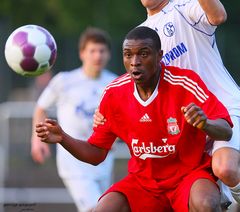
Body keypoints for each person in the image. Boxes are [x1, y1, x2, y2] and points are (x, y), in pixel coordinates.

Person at [36, 26, 233, 212]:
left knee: (206, 203)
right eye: (128, 54)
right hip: (144, 183)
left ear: (159, 56)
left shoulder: (185, 83)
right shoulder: (114, 93)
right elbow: (96, 153)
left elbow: (226, 129)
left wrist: (205, 123)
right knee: (103, 209)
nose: (135, 61)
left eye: (143, 54)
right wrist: (62, 137)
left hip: (188, 177)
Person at [94, 0, 240, 207]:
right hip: (189, 123)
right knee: (206, 196)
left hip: (221, 110)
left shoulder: (185, 8)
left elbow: (218, 16)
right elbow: (134, 84)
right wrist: (104, 112)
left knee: (225, 168)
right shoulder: (141, 32)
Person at [31, 27, 117, 212]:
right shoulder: (65, 81)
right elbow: (41, 107)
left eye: (102, 51)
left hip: (102, 160)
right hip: (74, 163)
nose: (97, 56)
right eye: (92, 51)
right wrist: (36, 140)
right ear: (82, 53)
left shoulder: (115, 83)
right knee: (96, 208)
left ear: (109, 54)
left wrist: (117, 135)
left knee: (104, 207)